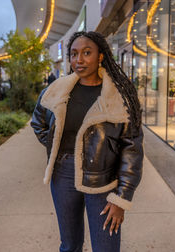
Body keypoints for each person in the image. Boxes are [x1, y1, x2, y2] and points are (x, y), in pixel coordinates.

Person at [31, 31, 144, 252]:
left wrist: (122, 197)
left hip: (102, 178)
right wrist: (56, 144)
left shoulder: (118, 96)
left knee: (106, 247)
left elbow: (132, 149)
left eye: (86, 53)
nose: (79, 60)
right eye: (74, 54)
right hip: (62, 174)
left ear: (100, 56)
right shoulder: (56, 90)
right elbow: (38, 122)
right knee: (70, 244)